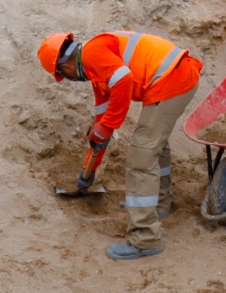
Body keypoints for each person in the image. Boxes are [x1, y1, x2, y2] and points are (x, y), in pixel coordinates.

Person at [37, 28, 204, 259]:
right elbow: (101, 125)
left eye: (63, 76)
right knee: (154, 145)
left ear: (64, 68)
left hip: (171, 80)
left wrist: (106, 127)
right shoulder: (96, 70)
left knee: (141, 156)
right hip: (175, 75)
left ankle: (145, 239)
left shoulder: (93, 54)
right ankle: (160, 204)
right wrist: (90, 170)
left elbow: (124, 81)